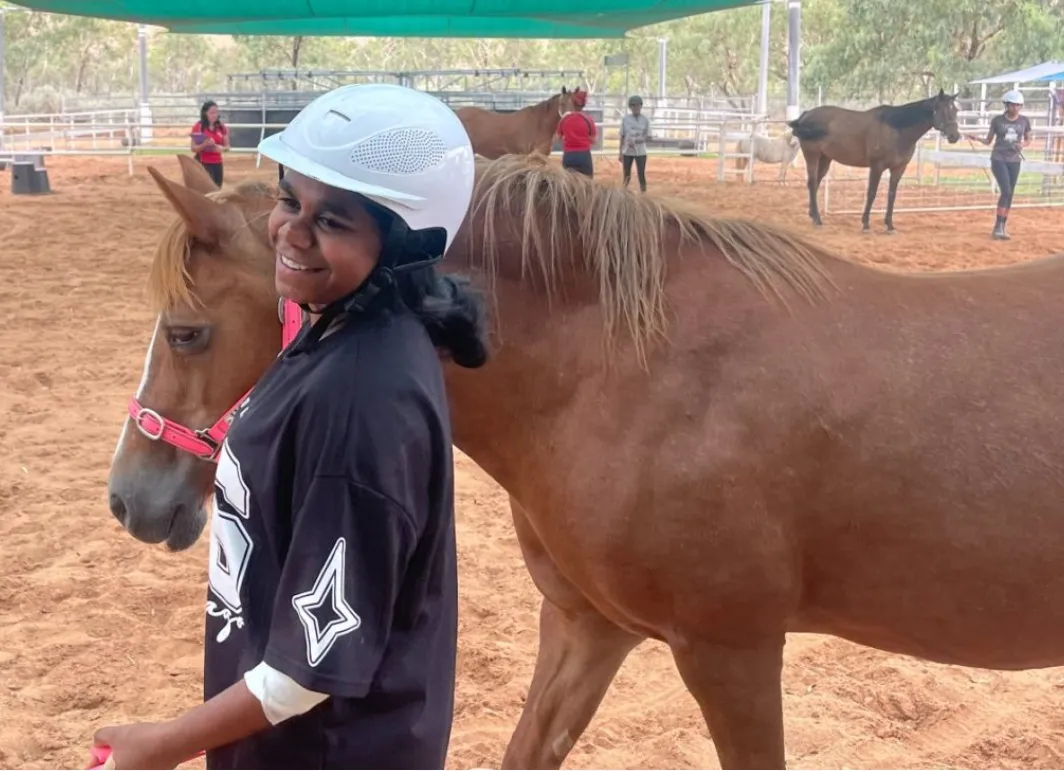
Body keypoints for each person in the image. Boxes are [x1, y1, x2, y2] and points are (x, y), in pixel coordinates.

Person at [89, 83, 488, 770]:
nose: (291, 232)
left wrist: (165, 743)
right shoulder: (331, 324)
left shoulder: (364, 399)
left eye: (332, 221)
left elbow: (308, 670)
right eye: (288, 199)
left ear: (402, 241)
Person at [967, 88, 1031, 240]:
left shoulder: (1024, 121)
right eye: (1012, 105)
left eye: (1018, 105)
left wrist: (1022, 145)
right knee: (1006, 191)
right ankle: (998, 226)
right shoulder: (997, 121)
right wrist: (977, 138)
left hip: (1015, 160)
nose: (1015, 108)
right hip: (999, 158)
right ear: (1006, 105)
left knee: (1010, 194)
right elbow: (989, 141)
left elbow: (1028, 139)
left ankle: (1002, 225)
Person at [556, 88, 596, 178]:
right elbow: (594, 140)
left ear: (572, 103)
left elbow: (557, 138)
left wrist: (568, 139)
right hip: (584, 155)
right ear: (584, 105)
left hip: (569, 155)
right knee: (588, 183)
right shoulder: (588, 120)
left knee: (568, 184)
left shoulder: (564, 119)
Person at [190, 100, 230, 188]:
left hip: (217, 162)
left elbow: (227, 147)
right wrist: (204, 145)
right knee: (207, 188)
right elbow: (193, 148)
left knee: (217, 188)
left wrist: (222, 149)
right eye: (212, 113)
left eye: (216, 112)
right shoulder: (199, 126)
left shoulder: (221, 127)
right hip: (203, 162)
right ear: (205, 113)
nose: (214, 115)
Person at [619, 95, 652, 192]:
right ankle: (624, 192)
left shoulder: (645, 120)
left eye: (637, 105)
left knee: (641, 173)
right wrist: (620, 152)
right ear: (630, 107)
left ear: (641, 106)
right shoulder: (625, 120)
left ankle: (643, 192)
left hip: (641, 151)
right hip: (627, 151)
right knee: (626, 174)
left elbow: (649, 136)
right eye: (633, 105)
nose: (635, 108)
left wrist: (639, 140)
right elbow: (622, 136)